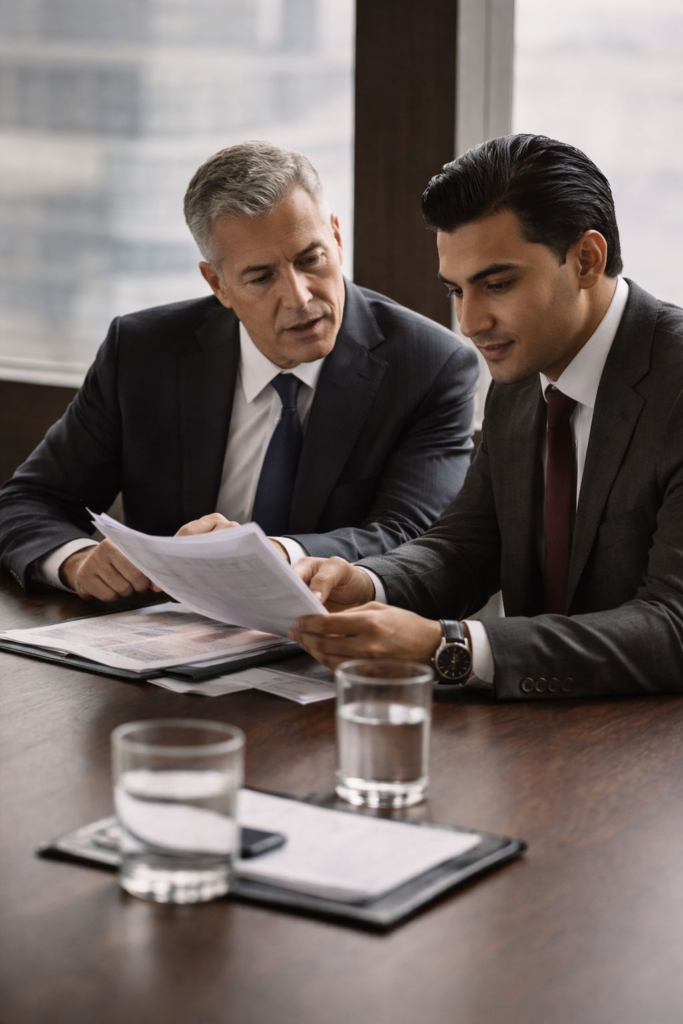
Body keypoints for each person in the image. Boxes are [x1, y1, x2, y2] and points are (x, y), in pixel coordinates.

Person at [289, 133, 683, 701]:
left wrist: (449, 647)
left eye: (497, 285)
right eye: (456, 290)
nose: (470, 322)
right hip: (537, 736)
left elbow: (672, 626)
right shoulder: (523, 374)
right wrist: (369, 583)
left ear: (586, 261)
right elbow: (469, 544)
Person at [0, 141, 478, 603]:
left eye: (311, 259)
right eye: (261, 276)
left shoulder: (429, 366)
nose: (299, 297)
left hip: (328, 647)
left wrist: (277, 554)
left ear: (336, 236)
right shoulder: (143, 351)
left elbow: (410, 536)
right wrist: (76, 560)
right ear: (218, 284)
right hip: (164, 641)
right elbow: (29, 501)